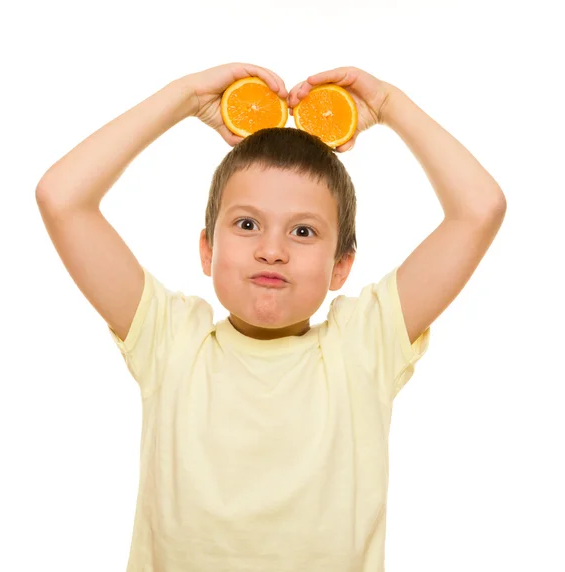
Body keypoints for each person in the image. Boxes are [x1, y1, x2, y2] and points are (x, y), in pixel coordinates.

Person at [35, 62, 506, 571]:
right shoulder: (170, 341)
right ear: (207, 250)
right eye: (247, 224)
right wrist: (185, 97)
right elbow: (62, 199)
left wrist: (390, 105)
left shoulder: (363, 347)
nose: (272, 250)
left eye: (303, 232)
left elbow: (479, 209)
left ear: (341, 265)